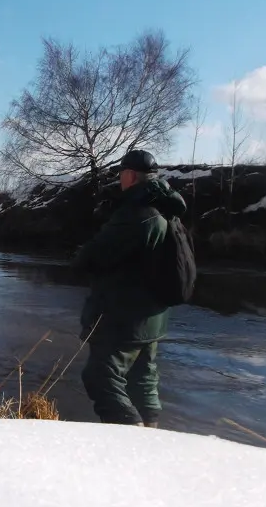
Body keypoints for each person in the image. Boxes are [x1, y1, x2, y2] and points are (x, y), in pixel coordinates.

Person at [70, 149, 190, 428]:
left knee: (100, 376)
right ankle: (151, 434)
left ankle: (128, 439)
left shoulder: (139, 214)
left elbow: (96, 256)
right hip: (153, 318)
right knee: (142, 380)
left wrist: (81, 254)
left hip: (125, 316)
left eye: (121, 174)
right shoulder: (166, 210)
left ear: (130, 175)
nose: (119, 179)